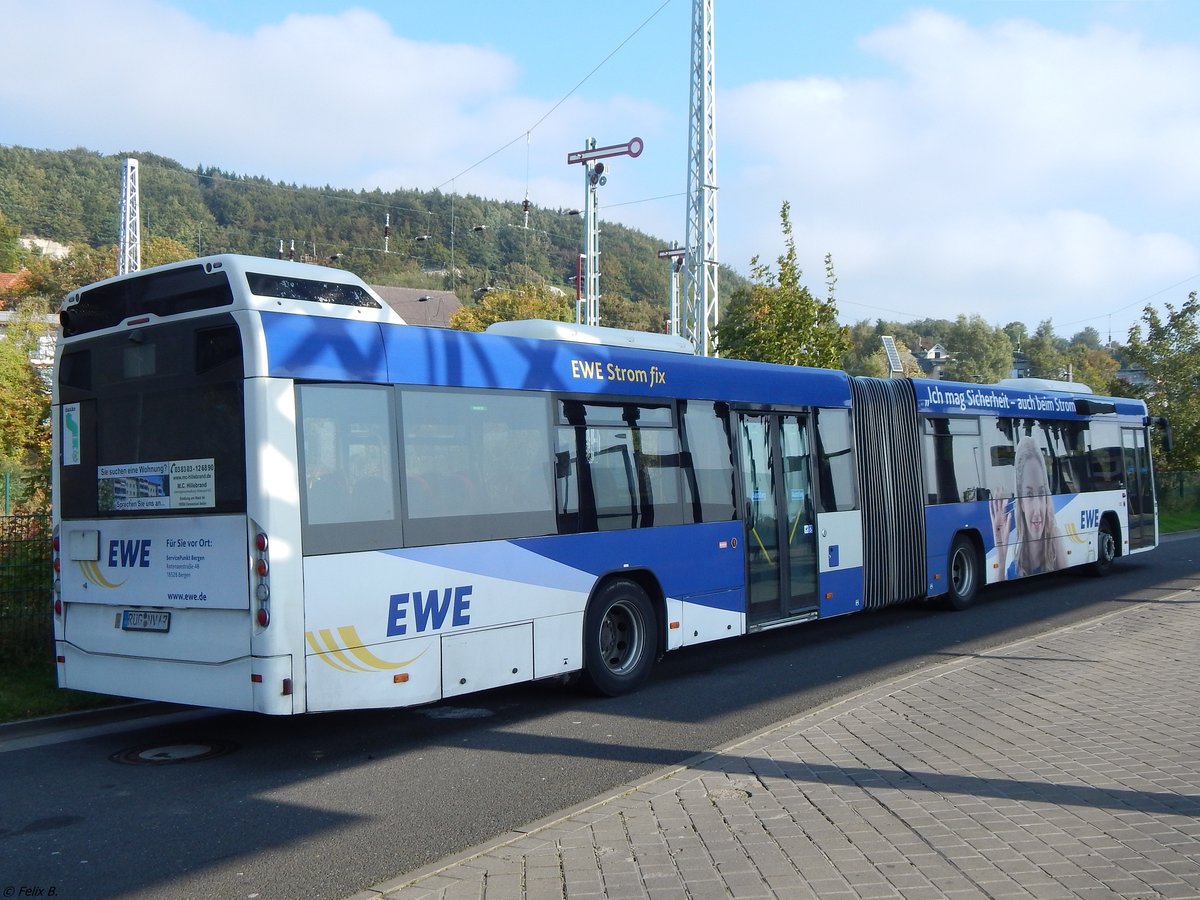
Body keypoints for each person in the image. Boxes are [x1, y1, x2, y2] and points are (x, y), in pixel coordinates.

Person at [989, 437, 1069, 579]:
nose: (1037, 510)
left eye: (1041, 493)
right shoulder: (1013, 570)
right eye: (1029, 495)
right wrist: (1000, 558)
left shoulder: (1055, 542)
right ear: (1020, 502)